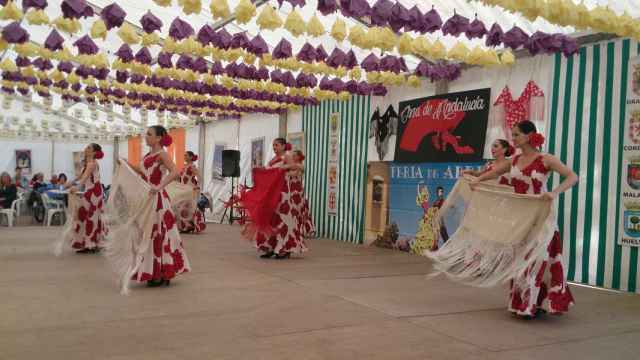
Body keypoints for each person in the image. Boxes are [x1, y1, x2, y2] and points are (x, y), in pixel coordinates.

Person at [471, 120, 577, 318]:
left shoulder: (546, 159)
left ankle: (533, 303)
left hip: (541, 216)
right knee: (521, 258)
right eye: (513, 134)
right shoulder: (515, 160)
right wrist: (477, 179)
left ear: (529, 136)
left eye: (517, 134)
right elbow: (494, 172)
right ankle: (526, 303)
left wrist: (554, 192)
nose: (513, 138)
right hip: (520, 218)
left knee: (537, 258)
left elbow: (572, 177)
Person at [120, 125, 190, 287]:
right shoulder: (148, 155)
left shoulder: (162, 154)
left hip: (157, 199)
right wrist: (126, 164)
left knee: (157, 233)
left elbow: (175, 172)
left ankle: (160, 272)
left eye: (149, 134)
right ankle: (154, 272)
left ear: (158, 138)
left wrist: (159, 186)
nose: (146, 137)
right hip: (147, 197)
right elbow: (141, 171)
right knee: (147, 234)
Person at [244, 138, 308, 259]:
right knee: (272, 220)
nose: (274, 147)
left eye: (277, 145)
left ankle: (284, 249)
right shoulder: (273, 159)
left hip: (283, 193)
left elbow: (300, 168)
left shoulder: (287, 156)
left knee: (282, 220)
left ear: (283, 146)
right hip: (273, 192)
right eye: (273, 145)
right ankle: (271, 247)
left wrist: (285, 170)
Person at [62, 143, 106, 254]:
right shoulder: (87, 164)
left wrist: (76, 187)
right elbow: (80, 176)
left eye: (89, 148)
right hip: (89, 191)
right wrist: (70, 183)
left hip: (94, 192)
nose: (86, 149)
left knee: (91, 217)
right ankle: (87, 243)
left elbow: (85, 177)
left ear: (94, 152)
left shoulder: (92, 164)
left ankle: (90, 244)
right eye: (87, 147)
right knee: (83, 216)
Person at [176, 151, 206, 233]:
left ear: (191, 157)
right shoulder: (185, 166)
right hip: (183, 189)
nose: (184, 157)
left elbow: (200, 177)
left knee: (189, 208)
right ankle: (187, 226)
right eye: (184, 155)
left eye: (186, 155)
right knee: (183, 207)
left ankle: (190, 225)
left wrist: (197, 186)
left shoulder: (192, 167)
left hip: (190, 189)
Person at [291, 150, 315, 237]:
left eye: (294, 155)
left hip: (297, 189)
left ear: (298, 157)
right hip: (292, 189)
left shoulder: (300, 165)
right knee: (293, 209)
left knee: (299, 209)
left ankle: (302, 229)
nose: (292, 157)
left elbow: (293, 174)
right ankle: (294, 228)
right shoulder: (293, 165)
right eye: (292, 155)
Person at [411, 184, 439, 254]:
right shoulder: (423, 202)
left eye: (427, 195)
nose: (426, 196)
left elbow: (430, 211)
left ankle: (428, 247)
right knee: (425, 233)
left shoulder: (427, 203)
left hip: (428, 218)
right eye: (425, 195)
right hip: (427, 218)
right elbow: (419, 194)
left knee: (430, 233)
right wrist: (418, 186)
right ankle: (423, 248)